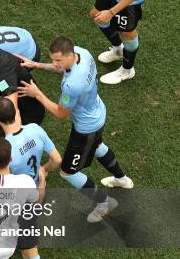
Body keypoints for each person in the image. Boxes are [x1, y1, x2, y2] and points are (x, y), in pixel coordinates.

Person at [18, 37, 134, 223]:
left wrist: (37, 94)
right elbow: (60, 68)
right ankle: (121, 179)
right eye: (53, 59)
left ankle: (104, 203)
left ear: (70, 55)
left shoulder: (72, 85)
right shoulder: (83, 53)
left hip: (85, 127)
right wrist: (36, 65)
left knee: (67, 172)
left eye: (58, 60)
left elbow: (60, 113)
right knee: (97, 146)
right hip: (98, 111)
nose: (55, 64)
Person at [0, 97, 60, 259]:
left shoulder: (6, 148)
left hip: (20, 204)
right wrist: (44, 171)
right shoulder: (35, 129)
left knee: (31, 254)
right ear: (16, 111)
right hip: (36, 191)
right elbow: (57, 159)